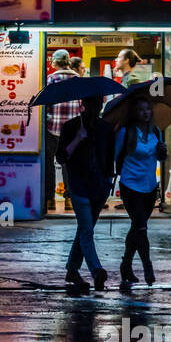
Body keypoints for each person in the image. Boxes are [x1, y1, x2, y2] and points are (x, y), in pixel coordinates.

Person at [59, 96, 115, 292]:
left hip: (99, 188)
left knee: (85, 229)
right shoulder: (71, 127)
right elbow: (61, 156)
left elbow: (109, 159)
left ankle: (72, 270)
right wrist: (77, 139)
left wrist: (108, 182)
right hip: (79, 186)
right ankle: (96, 270)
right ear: (83, 104)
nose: (95, 107)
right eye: (91, 103)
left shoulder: (105, 128)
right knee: (86, 230)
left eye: (98, 103)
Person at [115, 97, 168, 286]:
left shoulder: (156, 131)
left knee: (137, 227)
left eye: (147, 109)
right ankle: (147, 267)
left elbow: (161, 158)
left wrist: (163, 150)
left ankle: (126, 265)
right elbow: (115, 155)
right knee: (141, 227)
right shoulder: (126, 132)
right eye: (140, 109)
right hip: (130, 185)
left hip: (150, 186)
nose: (145, 112)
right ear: (134, 113)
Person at [44, 50, 82, 212]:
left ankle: (50, 199)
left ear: (55, 63)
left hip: (53, 127)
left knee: (49, 164)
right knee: (70, 164)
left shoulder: (51, 79)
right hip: (72, 130)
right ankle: (69, 200)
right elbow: (83, 106)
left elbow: (47, 103)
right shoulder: (78, 80)